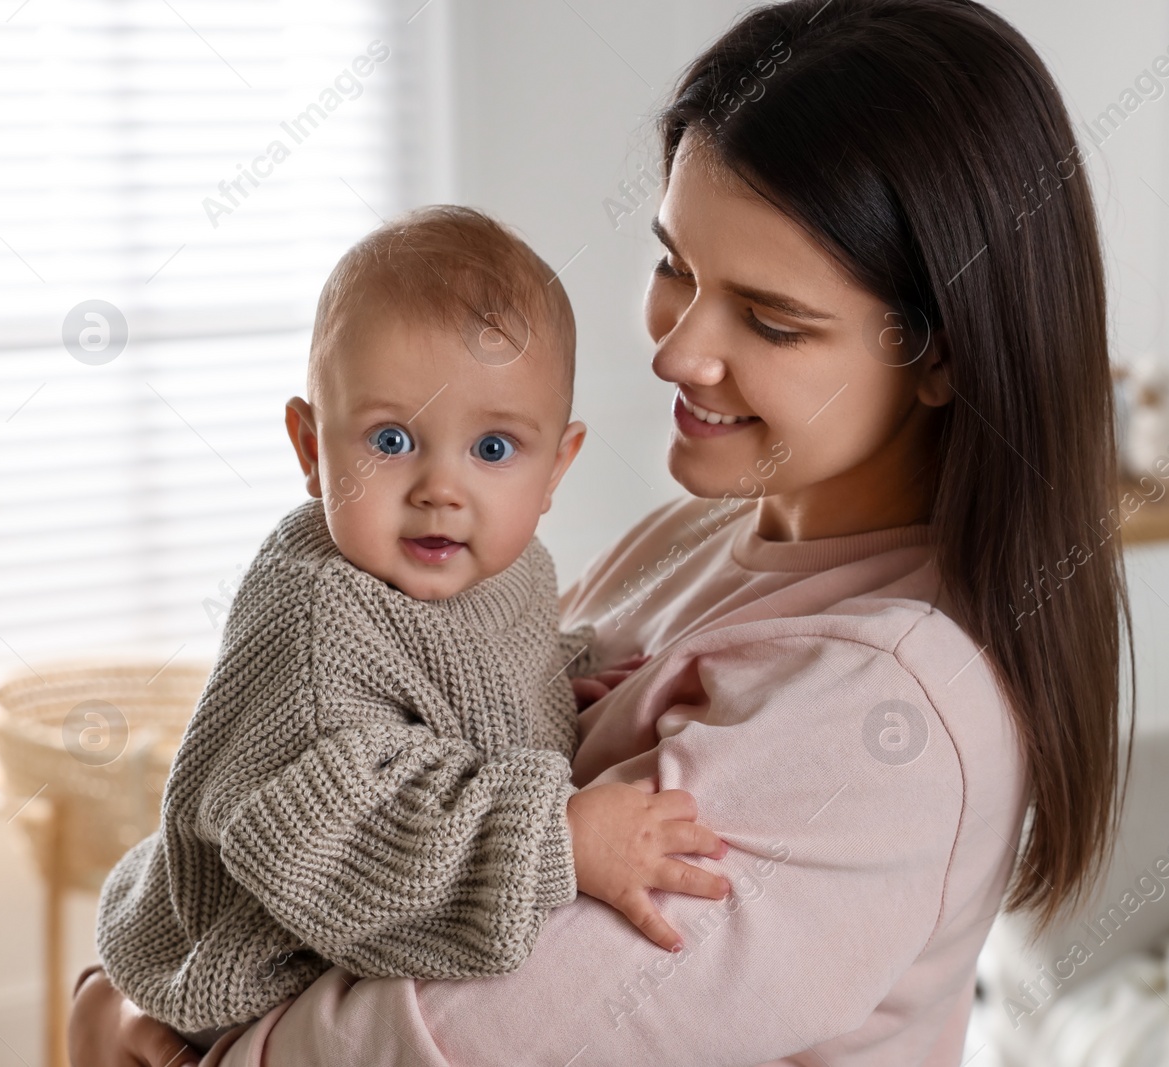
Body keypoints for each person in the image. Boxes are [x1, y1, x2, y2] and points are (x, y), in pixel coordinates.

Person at [70, 1, 1129, 1063]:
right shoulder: (688, 540)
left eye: (767, 319)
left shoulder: (885, 715)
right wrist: (125, 982)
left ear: (939, 355)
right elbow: (350, 761)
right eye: (676, 266)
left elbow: (433, 1040)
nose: (676, 353)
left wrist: (152, 1039)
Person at [92, 205, 731, 1051]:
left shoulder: (508, 565)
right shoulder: (319, 621)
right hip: (248, 972)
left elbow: (472, 671)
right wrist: (556, 838)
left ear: (556, 468)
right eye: (391, 439)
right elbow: (344, 834)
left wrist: (565, 683)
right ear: (312, 447)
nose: (441, 487)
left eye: (494, 449)